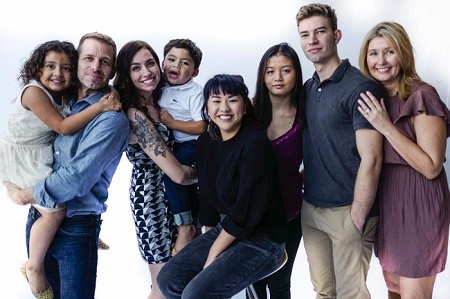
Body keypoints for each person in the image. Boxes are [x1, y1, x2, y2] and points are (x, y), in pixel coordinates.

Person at [4, 32, 130, 299]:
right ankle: (33, 267)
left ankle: (33, 267)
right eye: (89, 58)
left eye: (105, 61)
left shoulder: (111, 119)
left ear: (112, 71)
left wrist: (25, 193)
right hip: (40, 216)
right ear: (78, 63)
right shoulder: (63, 97)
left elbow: (78, 177)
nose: (96, 66)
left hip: (76, 227)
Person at [157, 74, 287, 298]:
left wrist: (213, 253)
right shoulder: (206, 143)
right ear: (206, 107)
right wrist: (210, 242)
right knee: (168, 279)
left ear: (244, 106)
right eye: (216, 100)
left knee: (196, 294)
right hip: (227, 229)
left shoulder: (255, 144)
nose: (224, 107)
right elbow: (206, 198)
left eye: (232, 99)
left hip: (264, 239)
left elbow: (245, 210)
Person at [295, 3, 386, 298]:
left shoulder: (360, 87)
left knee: (351, 294)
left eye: (320, 31)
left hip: (348, 211)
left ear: (336, 35)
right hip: (311, 210)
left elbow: (372, 159)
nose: (313, 40)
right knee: (323, 292)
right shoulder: (308, 88)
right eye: (305, 34)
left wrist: (357, 218)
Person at [358, 21, 450, 299]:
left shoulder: (422, 95)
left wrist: (385, 126)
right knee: (394, 291)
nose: (381, 61)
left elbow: (432, 166)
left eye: (389, 52)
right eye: (373, 53)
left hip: (419, 203)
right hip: (388, 203)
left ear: (404, 54)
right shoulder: (374, 98)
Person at [113, 40, 197, 299]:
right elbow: (178, 174)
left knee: (182, 283)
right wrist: (209, 170)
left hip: (178, 199)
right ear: (127, 75)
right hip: (152, 202)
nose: (146, 72)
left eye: (150, 63)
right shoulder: (135, 115)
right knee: (164, 287)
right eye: (135, 68)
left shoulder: (162, 100)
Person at [251, 43, 304, 299]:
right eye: (270, 71)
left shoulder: (305, 115)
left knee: (280, 282)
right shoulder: (248, 112)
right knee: (254, 282)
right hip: (251, 215)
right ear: (262, 75)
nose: (278, 78)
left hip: (290, 213)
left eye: (286, 70)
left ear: (297, 74)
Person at [158, 38, 207, 255]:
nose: (176, 65)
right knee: (186, 185)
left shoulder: (194, 92)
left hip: (193, 144)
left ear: (195, 72)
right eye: (171, 59)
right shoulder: (160, 86)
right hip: (176, 143)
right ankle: (194, 225)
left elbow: (202, 126)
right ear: (162, 63)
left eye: (185, 63)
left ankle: (184, 226)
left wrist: (171, 123)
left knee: (173, 173)